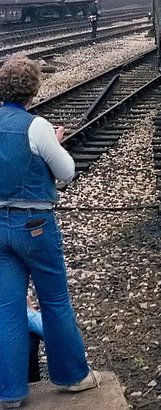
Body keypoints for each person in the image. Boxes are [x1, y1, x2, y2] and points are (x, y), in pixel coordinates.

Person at [0, 56, 99, 407]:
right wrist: (55, 143)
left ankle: (9, 394)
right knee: (54, 301)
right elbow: (67, 171)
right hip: (35, 227)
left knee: (7, 309)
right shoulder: (37, 126)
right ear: (33, 90)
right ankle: (73, 376)